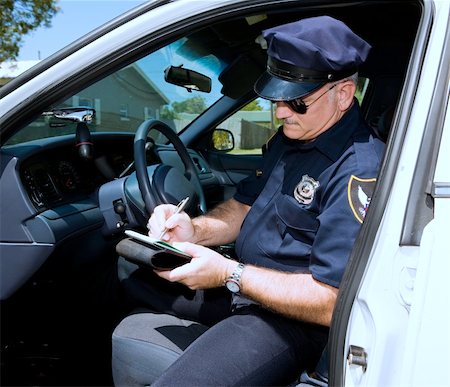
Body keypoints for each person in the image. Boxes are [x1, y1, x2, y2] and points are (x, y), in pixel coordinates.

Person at [113, 15, 385, 386]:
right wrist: (193, 230)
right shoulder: (291, 139)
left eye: (297, 101)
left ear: (342, 94)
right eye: (277, 98)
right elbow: (243, 207)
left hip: (292, 322)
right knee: (130, 273)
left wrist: (231, 274)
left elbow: (332, 301)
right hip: (244, 289)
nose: (280, 111)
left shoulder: (358, 169)